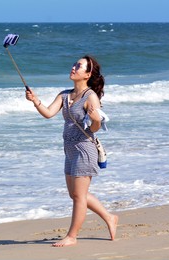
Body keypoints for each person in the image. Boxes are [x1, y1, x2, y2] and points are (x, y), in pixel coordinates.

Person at [25, 55, 118, 247]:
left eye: (79, 66)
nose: (73, 67)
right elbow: (49, 114)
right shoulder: (64, 95)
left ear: (88, 74)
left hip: (84, 149)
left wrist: (97, 120)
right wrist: (35, 100)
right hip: (69, 149)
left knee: (79, 196)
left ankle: (72, 236)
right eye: (74, 64)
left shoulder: (90, 97)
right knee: (75, 195)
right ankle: (110, 217)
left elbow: (93, 129)